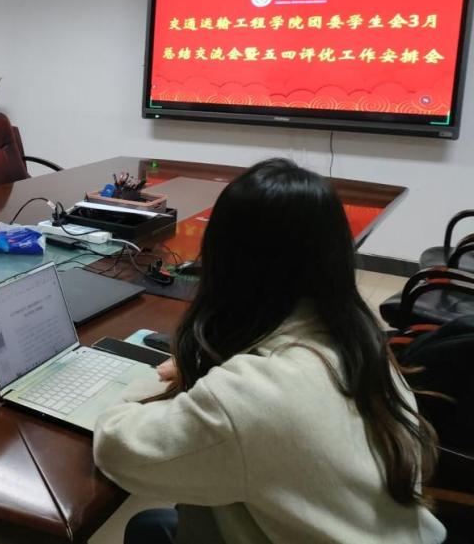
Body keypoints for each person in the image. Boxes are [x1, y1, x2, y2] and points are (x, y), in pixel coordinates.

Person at [93, 158, 446, 544]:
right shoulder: (363, 346)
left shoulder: (256, 394)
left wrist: (161, 375)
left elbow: (115, 447)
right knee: (153, 525)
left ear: (223, 262)